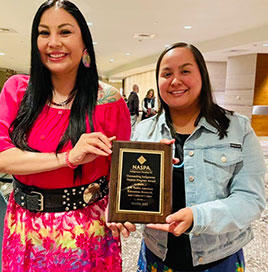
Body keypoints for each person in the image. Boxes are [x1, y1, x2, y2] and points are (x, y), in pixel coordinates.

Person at [0, 0, 131, 271]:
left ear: (85, 42)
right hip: (25, 227)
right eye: (44, 33)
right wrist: (68, 157)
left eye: (65, 32)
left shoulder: (108, 100)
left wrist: (126, 209)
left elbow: (121, 170)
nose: (53, 42)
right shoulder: (18, 90)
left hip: (87, 231)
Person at [112, 42, 266, 272]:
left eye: (185, 71)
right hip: (158, 257)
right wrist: (124, 214)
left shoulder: (238, 129)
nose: (175, 81)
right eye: (167, 74)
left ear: (202, 76)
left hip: (218, 260)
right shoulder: (145, 131)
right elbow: (135, 193)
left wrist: (197, 217)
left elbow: (250, 200)